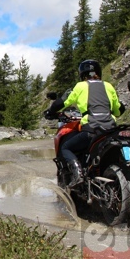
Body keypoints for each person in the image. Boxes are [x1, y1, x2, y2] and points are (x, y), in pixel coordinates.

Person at [45, 59, 124, 187]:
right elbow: (118, 111)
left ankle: (78, 174)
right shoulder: (108, 86)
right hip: (111, 130)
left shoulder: (81, 86)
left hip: (92, 129)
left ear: (82, 74)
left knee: (66, 148)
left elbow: (63, 102)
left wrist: (51, 110)